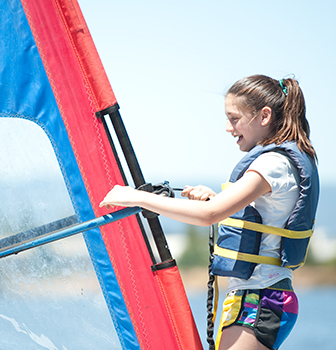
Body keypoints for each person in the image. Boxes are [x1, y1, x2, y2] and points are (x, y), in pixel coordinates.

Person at [99, 74, 319, 350]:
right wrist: (216, 199)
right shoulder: (279, 163)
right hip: (259, 297)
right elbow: (256, 216)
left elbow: (209, 215)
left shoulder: (272, 165)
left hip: (262, 299)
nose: (228, 128)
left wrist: (136, 197)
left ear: (264, 116)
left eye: (234, 118)